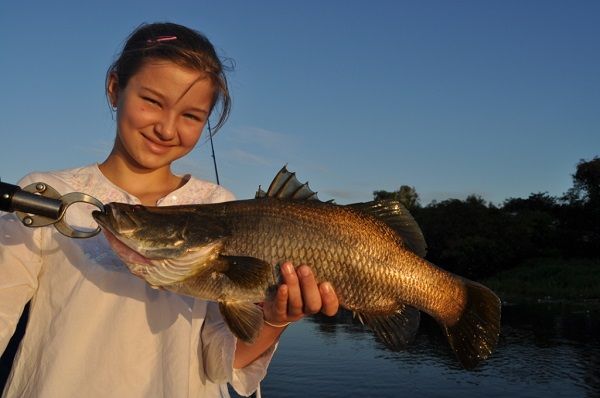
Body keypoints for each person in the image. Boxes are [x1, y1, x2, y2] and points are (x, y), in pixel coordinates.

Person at [0, 22, 339, 397]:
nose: (166, 128)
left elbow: (221, 362)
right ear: (115, 88)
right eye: (151, 101)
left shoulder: (219, 206)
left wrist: (275, 321)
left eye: (191, 116)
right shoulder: (46, 197)